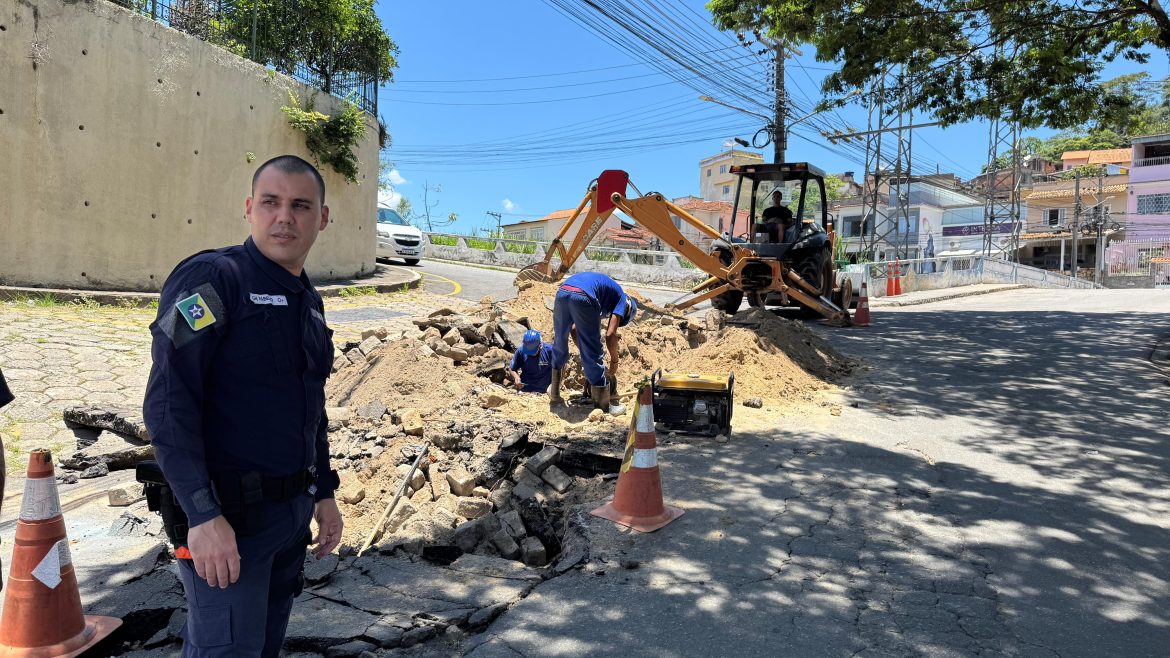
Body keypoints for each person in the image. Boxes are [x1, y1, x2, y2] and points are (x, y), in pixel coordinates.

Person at [143, 155, 342, 657]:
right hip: (226, 523)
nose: (285, 217)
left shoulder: (307, 301)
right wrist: (202, 515)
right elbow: (168, 402)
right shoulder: (214, 280)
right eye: (272, 203)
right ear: (250, 208)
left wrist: (323, 492)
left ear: (322, 217)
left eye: (301, 206)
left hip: (289, 519)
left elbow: (309, 406)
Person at [550, 272, 637, 414]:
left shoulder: (607, 293)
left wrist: (585, 351)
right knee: (594, 350)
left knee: (560, 341)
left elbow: (573, 329)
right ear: (627, 311)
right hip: (584, 296)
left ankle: (554, 394)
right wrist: (614, 361)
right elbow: (610, 334)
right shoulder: (622, 299)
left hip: (563, 291)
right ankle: (603, 406)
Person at [507, 329, 555, 393]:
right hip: (526, 389)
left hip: (545, 391)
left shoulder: (550, 351)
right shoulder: (521, 351)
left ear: (540, 346)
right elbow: (512, 368)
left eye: (533, 352)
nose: (531, 355)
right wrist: (516, 378)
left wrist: (557, 383)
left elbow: (563, 365)